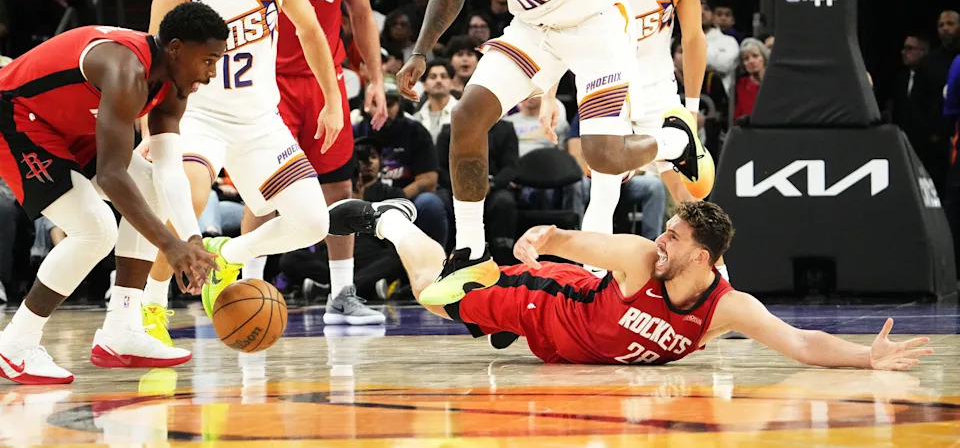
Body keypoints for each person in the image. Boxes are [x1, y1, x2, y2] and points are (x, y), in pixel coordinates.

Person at [396, 0, 730, 306]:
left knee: (604, 158)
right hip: (534, 31)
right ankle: (471, 252)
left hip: (596, 26)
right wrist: (420, 50)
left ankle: (676, 144)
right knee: (468, 115)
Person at [328, 198, 934, 370]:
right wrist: (537, 242)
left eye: (674, 237)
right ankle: (394, 221)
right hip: (547, 302)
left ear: (705, 257)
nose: (661, 241)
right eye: (665, 232)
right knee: (435, 293)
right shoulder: (641, 259)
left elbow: (800, 343)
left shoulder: (727, 307)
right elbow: (567, 241)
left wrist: (866, 358)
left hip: (574, 351)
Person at [139, 0, 343, 342]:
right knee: (188, 198)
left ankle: (229, 253)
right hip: (198, 118)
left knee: (313, 222)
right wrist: (147, 131)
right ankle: (151, 305)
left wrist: (333, 100)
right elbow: (146, 64)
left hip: (259, 121)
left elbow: (312, 34)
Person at [0, 3, 228, 384]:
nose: (211, 72)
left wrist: (191, 237)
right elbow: (111, 175)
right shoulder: (126, 70)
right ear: (175, 48)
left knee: (151, 187)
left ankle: (121, 331)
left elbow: (168, 171)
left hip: (65, 126)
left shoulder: (173, 87)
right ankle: (15, 345)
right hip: (15, 118)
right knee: (96, 230)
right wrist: (170, 247)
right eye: (208, 60)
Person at [541, 0, 716, 277]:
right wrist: (548, 95)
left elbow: (692, 39)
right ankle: (591, 286)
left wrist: (689, 110)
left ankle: (718, 286)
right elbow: (555, 29)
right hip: (604, 87)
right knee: (603, 191)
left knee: (688, 194)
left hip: (657, 88)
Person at [243, 0, 388, 325]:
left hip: (327, 84)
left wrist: (377, 80)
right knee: (264, 191)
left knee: (338, 188)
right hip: (273, 84)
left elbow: (362, 19)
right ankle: (250, 288)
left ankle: (341, 294)